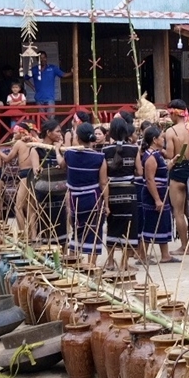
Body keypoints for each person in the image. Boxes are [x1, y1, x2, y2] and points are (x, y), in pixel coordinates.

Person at [64, 122, 107, 266]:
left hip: (74, 199)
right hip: (92, 198)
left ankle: (73, 265)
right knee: (94, 231)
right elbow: (103, 182)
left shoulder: (69, 154)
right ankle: (91, 266)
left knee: (77, 230)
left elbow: (61, 164)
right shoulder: (99, 158)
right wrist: (106, 204)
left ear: (77, 137)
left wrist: (58, 150)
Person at [102, 115, 141, 271]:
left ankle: (110, 262)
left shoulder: (105, 150)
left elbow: (103, 178)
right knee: (129, 226)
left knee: (112, 225)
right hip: (129, 192)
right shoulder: (133, 149)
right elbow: (139, 171)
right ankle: (124, 263)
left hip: (111, 193)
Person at [138, 124, 175, 264]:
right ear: (155, 139)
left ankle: (165, 255)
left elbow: (162, 170)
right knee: (150, 224)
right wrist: (157, 199)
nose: (163, 139)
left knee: (163, 223)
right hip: (153, 194)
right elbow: (149, 179)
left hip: (161, 192)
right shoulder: (151, 157)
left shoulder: (157, 155)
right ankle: (142, 256)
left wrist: (171, 163)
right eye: (161, 137)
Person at [162, 100, 189, 254]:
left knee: (178, 211)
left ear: (175, 113)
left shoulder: (171, 132)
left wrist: (159, 151)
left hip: (178, 171)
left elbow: (170, 155)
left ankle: (184, 246)